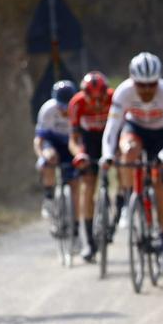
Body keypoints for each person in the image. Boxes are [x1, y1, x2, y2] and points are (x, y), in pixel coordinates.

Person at [99, 52, 163, 274]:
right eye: (141, 85)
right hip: (135, 129)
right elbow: (111, 129)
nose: (146, 90)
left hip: (161, 134)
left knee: (162, 185)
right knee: (128, 151)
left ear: (158, 81)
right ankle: (128, 201)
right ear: (132, 80)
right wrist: (107, 155)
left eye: (151, 85)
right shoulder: (123, 92)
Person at [69, 71, 113, 261]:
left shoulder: (113, 98)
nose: (96, 102)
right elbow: (73, 138)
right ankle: (89, 242)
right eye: (91, 98)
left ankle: (121, 205)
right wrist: (79, 154)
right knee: (87, 186)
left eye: (100, 98)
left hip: (109, 138)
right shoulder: (76, 104)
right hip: (89, 142)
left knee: (124, 165)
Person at [35, 79, 79, 243]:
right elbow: (39, 139)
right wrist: (41, 156)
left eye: (67, 107)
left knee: (75, 183)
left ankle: (75, 227)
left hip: (71, 144)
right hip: (52, 142)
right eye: (61, 107)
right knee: (50, 157)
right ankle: (49, 198)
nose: (65, 111)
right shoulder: (47, 110)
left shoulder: (77, 108)